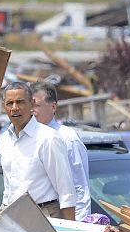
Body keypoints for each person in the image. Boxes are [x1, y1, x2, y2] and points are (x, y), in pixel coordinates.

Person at [0, 81, 76, 220]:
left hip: (45, 216)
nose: (14, 108)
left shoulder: (48, 138)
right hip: (13, 218)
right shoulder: (4, 141)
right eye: (10, 103)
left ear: (32, 104)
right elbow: (9, 188)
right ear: (4, 107)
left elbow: (66, 192)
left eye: (20, 102)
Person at [30, 81, 90, 221]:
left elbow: (80, 187)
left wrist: (78, 227)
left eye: (37, 105)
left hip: (62, 221)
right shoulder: (27, 138)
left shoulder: (68, 138)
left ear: (53, 106)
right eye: (30, 106)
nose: (32, 110)